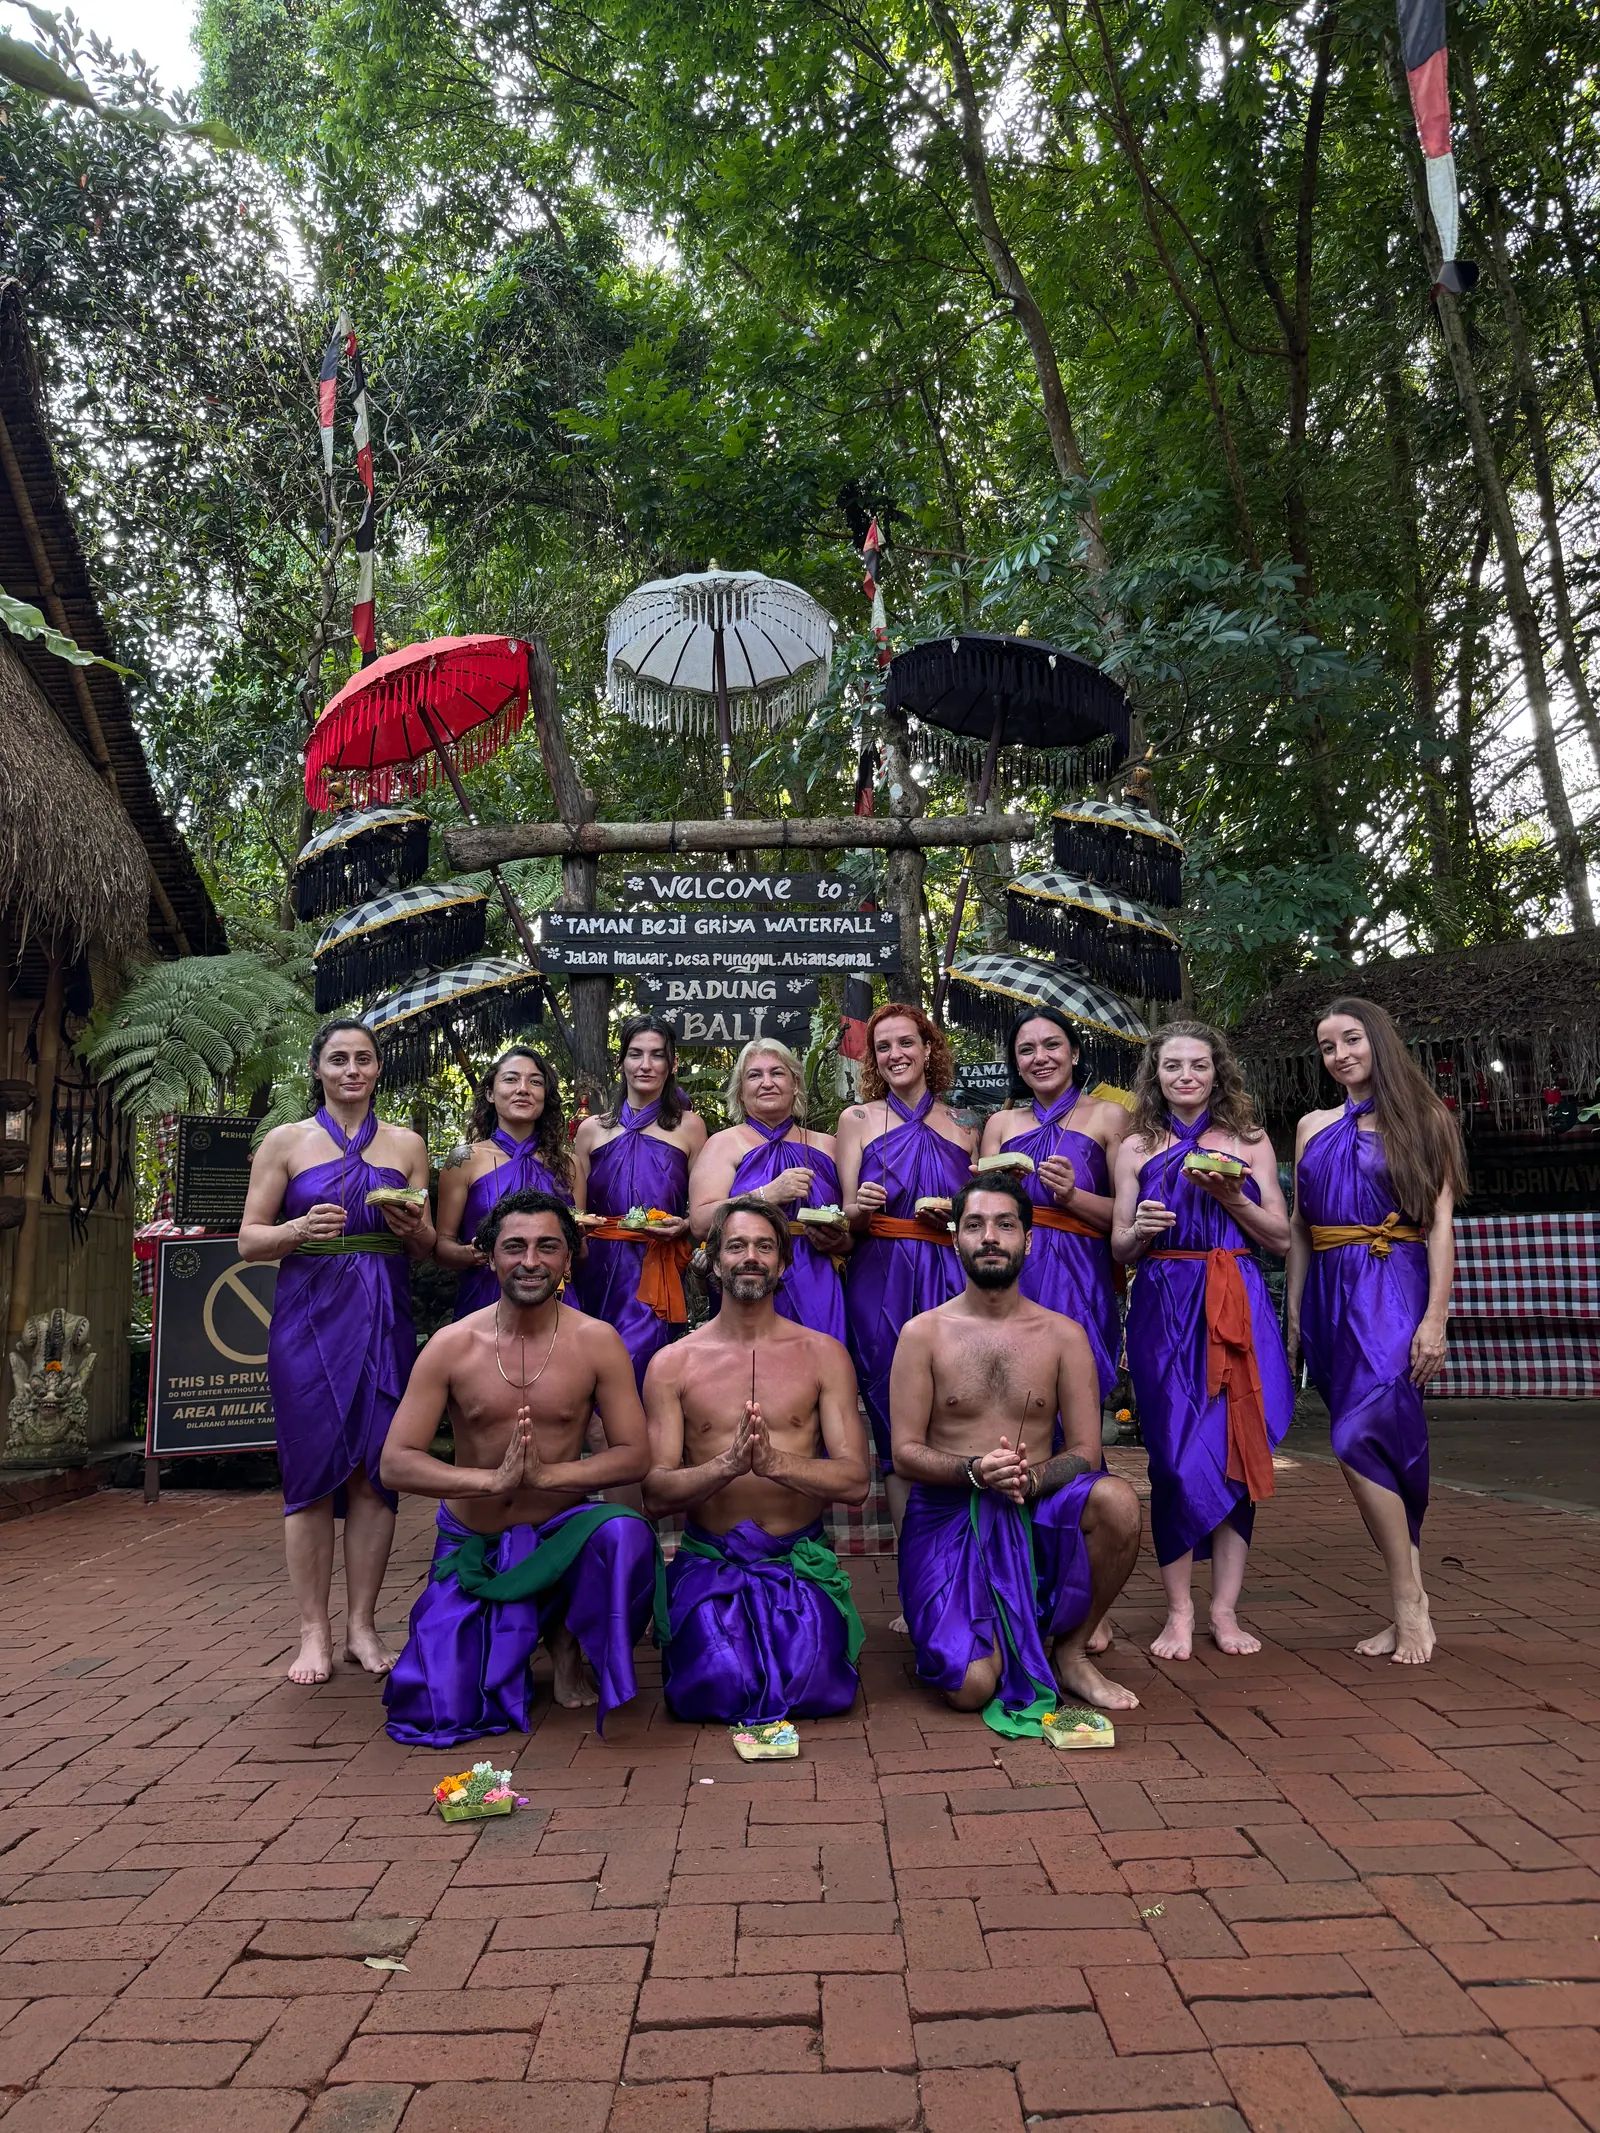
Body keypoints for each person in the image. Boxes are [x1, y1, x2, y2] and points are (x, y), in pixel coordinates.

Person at [380, 1190, 659, 1744]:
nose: (530, 1261)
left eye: (547, 1246)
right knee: (438, 1707)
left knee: (627, 1535)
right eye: (515, 1247)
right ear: (489, 1256)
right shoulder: (451, 1346)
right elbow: (395, 1463)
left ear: (570, 1257)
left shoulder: (597, 1342)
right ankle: (503, 1625)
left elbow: (635, 1455)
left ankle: (565, 1638)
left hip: (559, 1536)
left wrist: (549, 1476)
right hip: (476, 1542)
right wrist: (491, 1480)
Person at [890, 1176, 1141, 1735]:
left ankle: (1071, 1652)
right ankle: (982, 1630)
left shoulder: (1063, 1335)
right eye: (975, 1225)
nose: (991, 1237)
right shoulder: (922, 1334)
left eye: (1006, 1224)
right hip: (950, 1515)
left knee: (1118, 1502)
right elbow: (903, 1453)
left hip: (1037, 1505)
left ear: (1029, 1239)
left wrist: (1033, 1481)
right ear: (955, 1239)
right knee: (972, 1687)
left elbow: (1086, 1449)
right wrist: (973, 1472)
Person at [239, 1019, 433, 1687]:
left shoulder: (406, 1143)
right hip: (307, 1318)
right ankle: (312, 1629)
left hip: (383, 1315)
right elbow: (248, 1240)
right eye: (338, 1058)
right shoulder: (286, 1141)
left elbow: (426, 1244)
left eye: (364, 1058)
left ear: (379, 1068)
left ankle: (363, 1623)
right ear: (318, 1068)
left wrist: (413, 1226)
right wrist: (294, 1228)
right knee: (311, 1471)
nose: (352, 1068)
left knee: (376, 1472)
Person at [644, 1197, 870, 1752]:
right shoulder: (673, 1363)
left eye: (764, 1246)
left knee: (820, 1690)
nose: (750, 1257)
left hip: (797, 1560)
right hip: (710, 1562)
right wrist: (725, 1466)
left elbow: (855, 1481)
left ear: (784, 1263)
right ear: (712, 1260)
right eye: (736, 1246)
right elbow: (654, 1492)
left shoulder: (824, 1355)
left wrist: (775, 1464)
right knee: (713, 1690)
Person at [1287, 998, 1463, 1666]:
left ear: (1379, 1041)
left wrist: (1435, 1317)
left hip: (1394, 1281)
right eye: (1328, 1046)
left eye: (1351, 1039)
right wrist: (1296, 1312)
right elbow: (1303, 1227)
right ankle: (1406, 1600)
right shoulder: (1311, 1125)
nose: (1340, 1055)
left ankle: (1410, 1600)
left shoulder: (1426, 1119)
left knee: (1358, 1436)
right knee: (1370, 1444)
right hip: (1331, 1290)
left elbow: (1442, 1223)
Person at [1112, 1022, 1293, 1662]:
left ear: (1218, 1071)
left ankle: (1224, 1610)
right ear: (1154, 1075)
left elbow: (1280, 1237)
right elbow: (1119, 1246)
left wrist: (1235, 1199)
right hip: (1165, 1299)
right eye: (1172, 1067)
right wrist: (1141, 1229)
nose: (1185, 1076)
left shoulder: (1249, 1142)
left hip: (1235, 1295)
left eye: (1198, 1065)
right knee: (1172, 1458)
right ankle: (1179, 1610)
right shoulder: (1135, 1145)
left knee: (1235, 1453)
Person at [836, 1002, 975, 1529]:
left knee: (958, 1405)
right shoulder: (858, 1119)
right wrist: (861, 1208)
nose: (896, 1054)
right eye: (884, 1046)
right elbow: (844, 1217)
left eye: (906, 1042)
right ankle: (915, 1573)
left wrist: (956, 1214)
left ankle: (965, 1552)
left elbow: (981, 1208)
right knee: (894, 1412)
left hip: (950, 1271)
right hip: (880, 1274)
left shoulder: (965, 1121)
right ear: (874, 1058)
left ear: (928, 1047)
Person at [980, 1007, 1127, 1404]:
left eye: (1052, 1045)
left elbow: (1126, 1218)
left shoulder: (1109, 1116)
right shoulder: (1000, 1124)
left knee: (1078, 1385)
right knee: (1008, 1390)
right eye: (1026, 1050)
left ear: (1074, 1053)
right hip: (1012, 1271)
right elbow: (979, 1213)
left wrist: (1072, 1196)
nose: (1040, 1057)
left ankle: (1079, 1467)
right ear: (1016, 1062)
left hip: (1082, 1272)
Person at [573, 1015, 706, 1389]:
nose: (645, 1065)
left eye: (656, 1055)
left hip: (654, 1264)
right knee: (590, 1372)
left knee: (638, 1371)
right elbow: (576, 1214)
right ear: (621, 1063)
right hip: (595, 1267)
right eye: (635, 1054)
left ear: (672, 1063)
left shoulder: (689, 1127)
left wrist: (685, 1227)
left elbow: (700, 1208)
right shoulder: (590, 1130)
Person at [688, 1039, 851, 1340]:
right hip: (748, 1274)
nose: (767, 1083)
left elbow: (852, 1228)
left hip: (818, 1280)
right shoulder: (723, 1144)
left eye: (777, 1073)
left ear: (795, 1084)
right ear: (740, 1090)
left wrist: (839, 1241)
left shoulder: (829, 1146)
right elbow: (699, 1222)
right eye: (754, 1075)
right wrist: (767, 1195)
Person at [435, 1046, 577, 1318]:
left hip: (557, 1299)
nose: (523, 1089)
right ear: (490, 1093)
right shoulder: (463, 1161)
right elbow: (442, 1247)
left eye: (535, 1082)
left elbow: (580, 1251)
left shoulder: (569, 1164)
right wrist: (473, 1253)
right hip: (484, 1300)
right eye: (511, 1079)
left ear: (545, 1096)